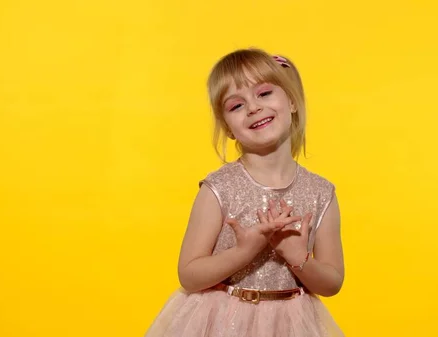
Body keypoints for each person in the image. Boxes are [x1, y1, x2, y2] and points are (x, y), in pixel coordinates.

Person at [145, 48, 344, 337]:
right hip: (222, 323)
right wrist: (244, 251)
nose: (253, 108)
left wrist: (298, 257)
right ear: (228, 129)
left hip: (290, 326)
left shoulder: (320, 193)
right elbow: (189, 276)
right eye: (236, 106)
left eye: (264, 94)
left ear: (291, 100)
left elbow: (332, 282)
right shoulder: (220, 188)